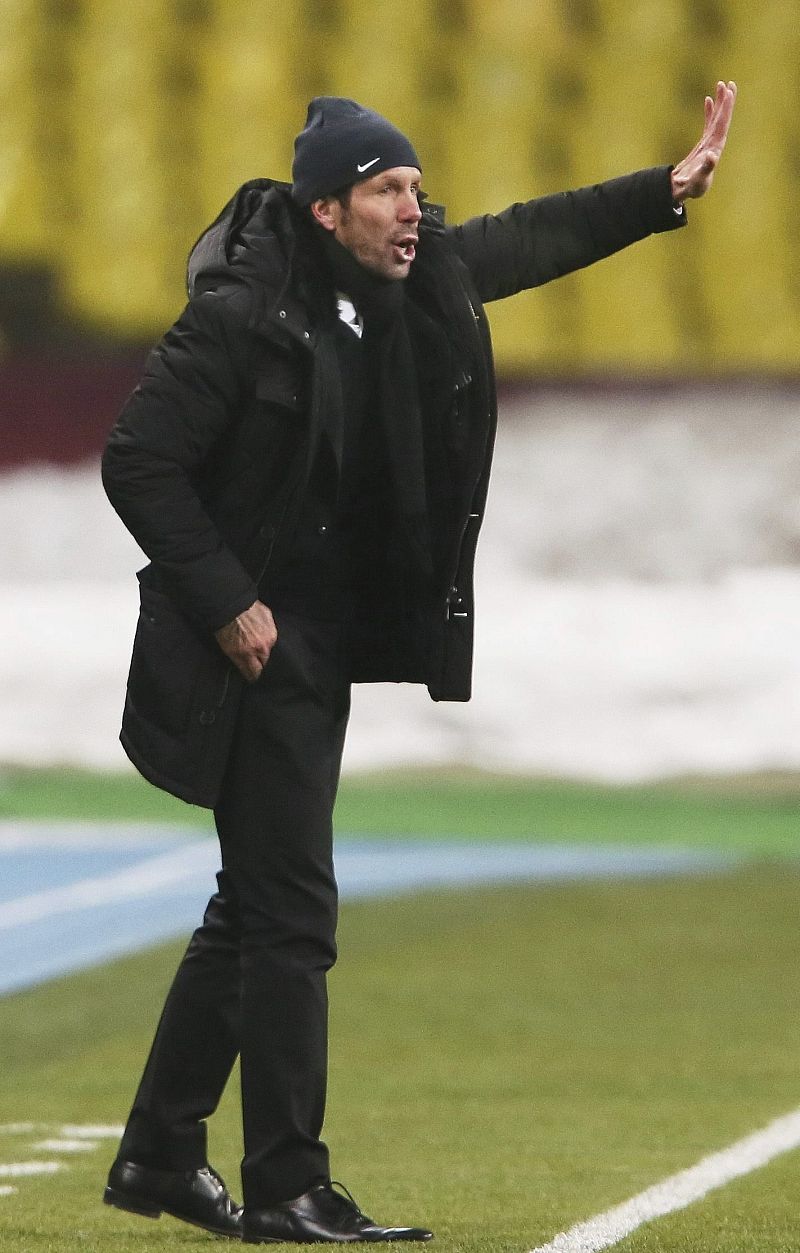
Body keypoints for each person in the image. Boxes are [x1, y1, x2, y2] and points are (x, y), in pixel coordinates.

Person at [100, 83, 736, 1244]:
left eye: (415, 186)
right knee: (291, 910)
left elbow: (528, 236)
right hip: (245, 640)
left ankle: (159, 1152)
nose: (413, 207)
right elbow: (138, 460)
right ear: (326, 207)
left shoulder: (422, 271)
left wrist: (660, 192)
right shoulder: (242, 310)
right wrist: (230, 598)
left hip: (318, 635)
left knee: (255, 905)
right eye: (387, 188)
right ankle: (288, 1182)